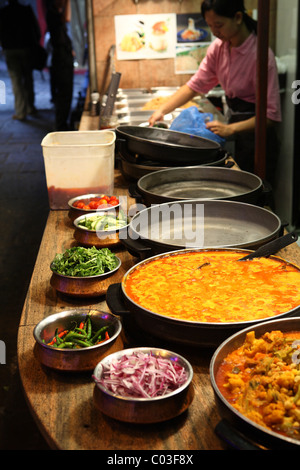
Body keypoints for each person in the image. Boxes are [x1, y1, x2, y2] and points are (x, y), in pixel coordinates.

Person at [149, 0, 281, 181]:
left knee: (256, 193)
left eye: (218, 25)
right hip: (235, 127)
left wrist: (230, 129)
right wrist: (161, 110)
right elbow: (194, 85)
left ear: (238, 17)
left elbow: (271, 116)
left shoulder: (261, 56)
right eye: (210, 25)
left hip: (258, 140)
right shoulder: (219, 48)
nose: (214, 32)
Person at [0, 0, 41, 121]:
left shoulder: (4, 12)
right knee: (27, 78)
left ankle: (20, 110)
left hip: (11, 48)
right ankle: (29, 107)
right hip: (24, 48)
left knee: (17, 80)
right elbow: (35, 30)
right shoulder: (25, 11)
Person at [44, 0, 74, 131]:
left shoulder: (55, 12)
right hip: (60, 59)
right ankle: (61, 125)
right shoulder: (52, 13)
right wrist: (67, 2)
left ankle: (62, 124)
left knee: (66, 93)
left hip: (63, 57)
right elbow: (66, 18)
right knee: (64, 94)